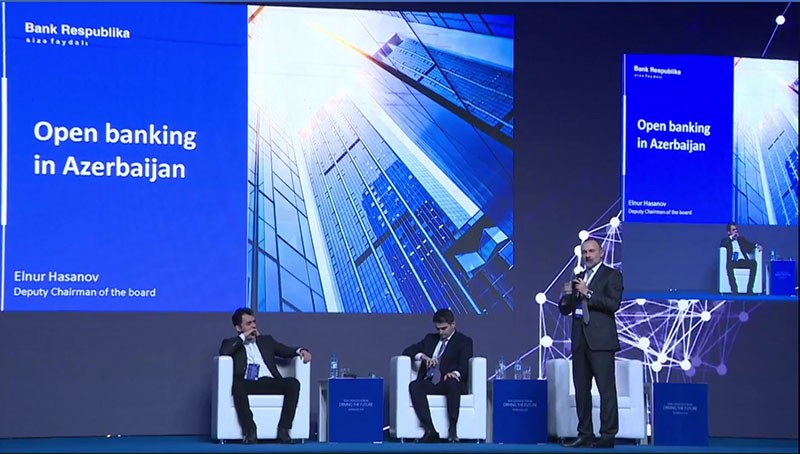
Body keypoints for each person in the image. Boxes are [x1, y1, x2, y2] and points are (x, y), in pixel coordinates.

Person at [559, 238, 622, 449]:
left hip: (601, 342)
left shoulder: (612, 275)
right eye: (585, 252)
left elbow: (613, 304)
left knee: (606, 391)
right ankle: (585, 434)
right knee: (581, 390)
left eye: (592, 251)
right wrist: (567, 296)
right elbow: (566, 309)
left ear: (601, 253)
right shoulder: (578, 277)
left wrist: (588, 293)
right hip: (580, 342)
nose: (588, 255)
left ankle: (607, 435)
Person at [218, 307, 312, 444]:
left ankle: (284, 429)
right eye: (248, 324)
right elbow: (225, 351)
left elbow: (286, 350)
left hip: (270, 382)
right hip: (248, 384)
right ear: (238, 328)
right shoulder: (232, 343)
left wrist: (301, 350)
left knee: (293, 384)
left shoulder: (266, 340)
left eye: (254, 322)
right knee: (238, 385)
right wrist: (243, 337)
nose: (253, 326)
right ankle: (250, 430)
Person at [402, 308, 473, 443]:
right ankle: (431, 430)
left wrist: (454, 373)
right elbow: (408, 351)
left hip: (448, 382)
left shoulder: (464, 341)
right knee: (415, 386)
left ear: (453, 324)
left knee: (452, 383)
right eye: (438, 329)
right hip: (431, 382)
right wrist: (423, 356)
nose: (440, 332)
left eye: (444, 328)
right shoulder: (430, 339)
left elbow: (464, 366)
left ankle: (453, 429)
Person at [720, 222, 763, 294]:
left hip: (742, 261)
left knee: (753, 263)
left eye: (736, 229)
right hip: (733, 262)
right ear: (729, 232)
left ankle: (750, 289)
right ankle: (734, 289)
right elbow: (722, 245)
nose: (735, 231)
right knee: (729, 264)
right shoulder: (726, 240)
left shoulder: (741, 239)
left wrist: (757, 245)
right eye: (733, 230)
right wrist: (731, 238)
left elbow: (750, 245)